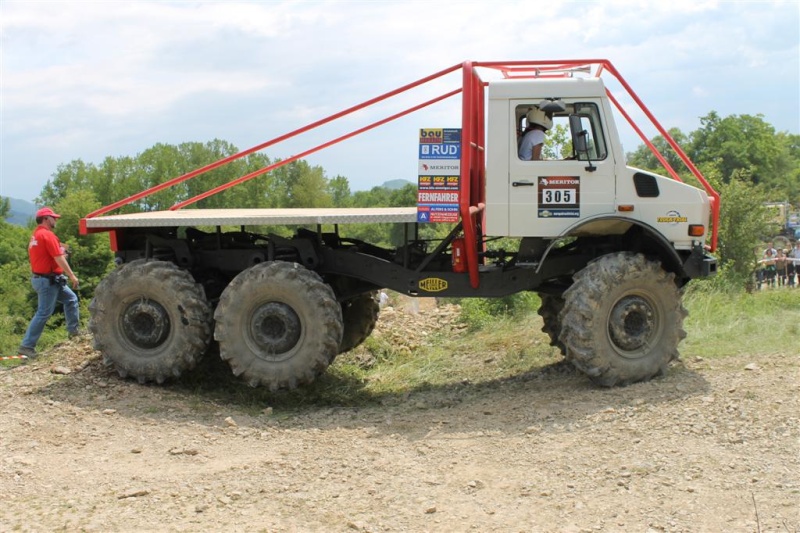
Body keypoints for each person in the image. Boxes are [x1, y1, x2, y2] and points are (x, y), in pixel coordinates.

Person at [17, 207, 82, 360]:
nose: (56, 219)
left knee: (71, 300)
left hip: (47, 279)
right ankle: (27, 346)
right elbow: (59, 258)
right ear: (46, 219)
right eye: (54, 217)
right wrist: (72, 275)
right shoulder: (47, 235)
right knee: (43, 313)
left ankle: (74, 333)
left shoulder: (35, 235)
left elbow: (46, 256)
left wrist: (60, 255)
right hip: (47, 281)